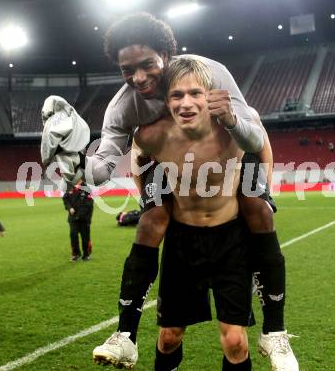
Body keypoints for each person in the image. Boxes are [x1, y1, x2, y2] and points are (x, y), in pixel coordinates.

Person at [90, 13, 297, 371]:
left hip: (228, 159)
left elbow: (254, 132)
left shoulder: (211, 75)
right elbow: (124, 150)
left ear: (166, 56)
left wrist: (264, 184)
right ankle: (125, 335)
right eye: (128, 69)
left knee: (259, 209)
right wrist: (108, 173)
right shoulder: (128, 108)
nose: (138, 77)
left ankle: (274, 331)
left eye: (146, 65)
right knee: (151, 220)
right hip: (169, 170)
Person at [99, 58, 255, 370]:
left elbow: (258, 144)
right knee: (170, 336)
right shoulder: (152, 132)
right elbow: (139, 154)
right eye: (177, 95)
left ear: (209, 93)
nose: (186, 102)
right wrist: (149, 199)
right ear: (166, 99)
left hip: (231, 237)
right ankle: (126, 335)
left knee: (235, 341)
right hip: (183, 239)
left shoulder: (232, 123)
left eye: (195, 93)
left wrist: (262, 191)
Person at [62, 180, 94, 261]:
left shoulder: (87, 189)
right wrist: (69, 208)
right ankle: (76, 254)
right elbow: (65, 199)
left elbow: (89, 205)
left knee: (85, 237)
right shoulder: (70, 187)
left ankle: (86, 254)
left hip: (84, 219)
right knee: (73, 235)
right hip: (73, 218)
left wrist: (80, 215)